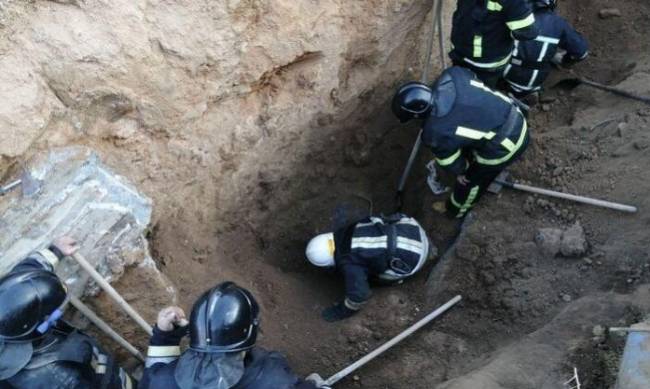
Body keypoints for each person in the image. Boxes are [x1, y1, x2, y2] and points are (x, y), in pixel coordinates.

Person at [391, 66, 530, 219]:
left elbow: (451, 162)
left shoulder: (435, 133)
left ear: (419, 115)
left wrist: (464, 171)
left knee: (469, 183)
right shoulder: (452, 75)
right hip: (515, 115)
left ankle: (456, 211)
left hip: (507, 145)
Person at [0, 237, 136, 389]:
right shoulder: (53, 378)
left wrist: (55, 251)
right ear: (38, 326)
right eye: (55, 311)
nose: (59, 312)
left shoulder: (10, 313)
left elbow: (19, 288)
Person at [140, 282, 328, 389]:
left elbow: (151, 379)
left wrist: (164, 338)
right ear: (251, 331)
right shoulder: (272, 377)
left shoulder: (162, 380)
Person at [305, 213, 432, 322]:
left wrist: (341, 311)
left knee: (377, 278)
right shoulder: (351, 227)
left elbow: (359, 296)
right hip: (413, 229)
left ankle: (395, 280)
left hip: (415, 257)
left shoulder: (350, 264)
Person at [503, 0, 589, 99]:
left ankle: (511, 92)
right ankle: (527, 94)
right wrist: (565, 61)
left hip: (507, 70)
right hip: (536, 77)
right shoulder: (558, 23)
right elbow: (582, 52)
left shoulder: (515, 14)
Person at [450, 0, 539, 88]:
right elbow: (528, 32)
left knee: (457, 86)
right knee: (479, 94)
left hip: (460, 50)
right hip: (488, 62)